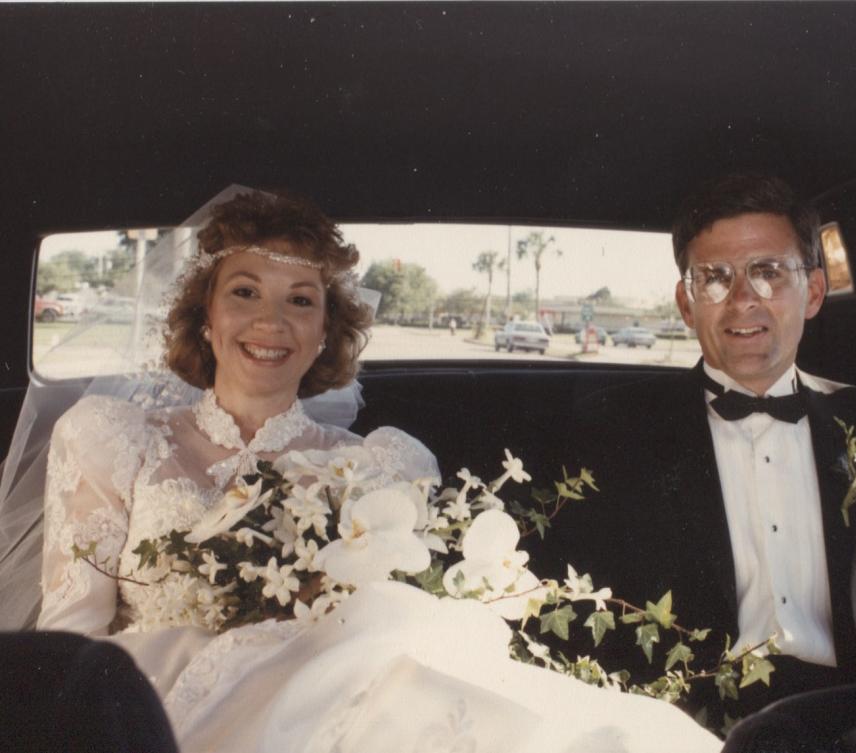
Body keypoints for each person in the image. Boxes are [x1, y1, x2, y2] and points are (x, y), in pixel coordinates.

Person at [29, 190, 719, 753]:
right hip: (170, 711)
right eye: (244, 292)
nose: (270, 321)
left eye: (300, 299)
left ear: (327, 330)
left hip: (352, 701)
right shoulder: (113, 439)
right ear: (204, 317)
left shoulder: (376, 464)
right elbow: (71, 647)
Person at [535, 174, 856, 725]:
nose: (743, 300)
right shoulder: (607, 431)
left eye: (769, 273)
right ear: (686, 304)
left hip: (854, 717)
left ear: (813, 292)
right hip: (686, 724)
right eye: (714, 278)